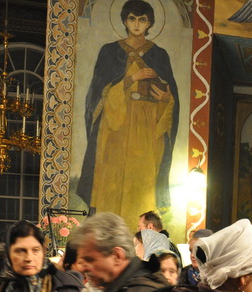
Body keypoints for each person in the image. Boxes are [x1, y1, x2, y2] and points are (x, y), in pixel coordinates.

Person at [76, 0, 179, 217]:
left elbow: (171, 97)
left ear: (150, 23)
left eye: (142, 19)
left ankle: (139, 231)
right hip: (115, 125)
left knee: (142, 177)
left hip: (147, 126)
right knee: (111, 176)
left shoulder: (159, 54)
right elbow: (99, 94)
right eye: (132, 18)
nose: (137, 24)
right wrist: (134, 77)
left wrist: (166, 98)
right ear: (124, 20)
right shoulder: (110, 51)